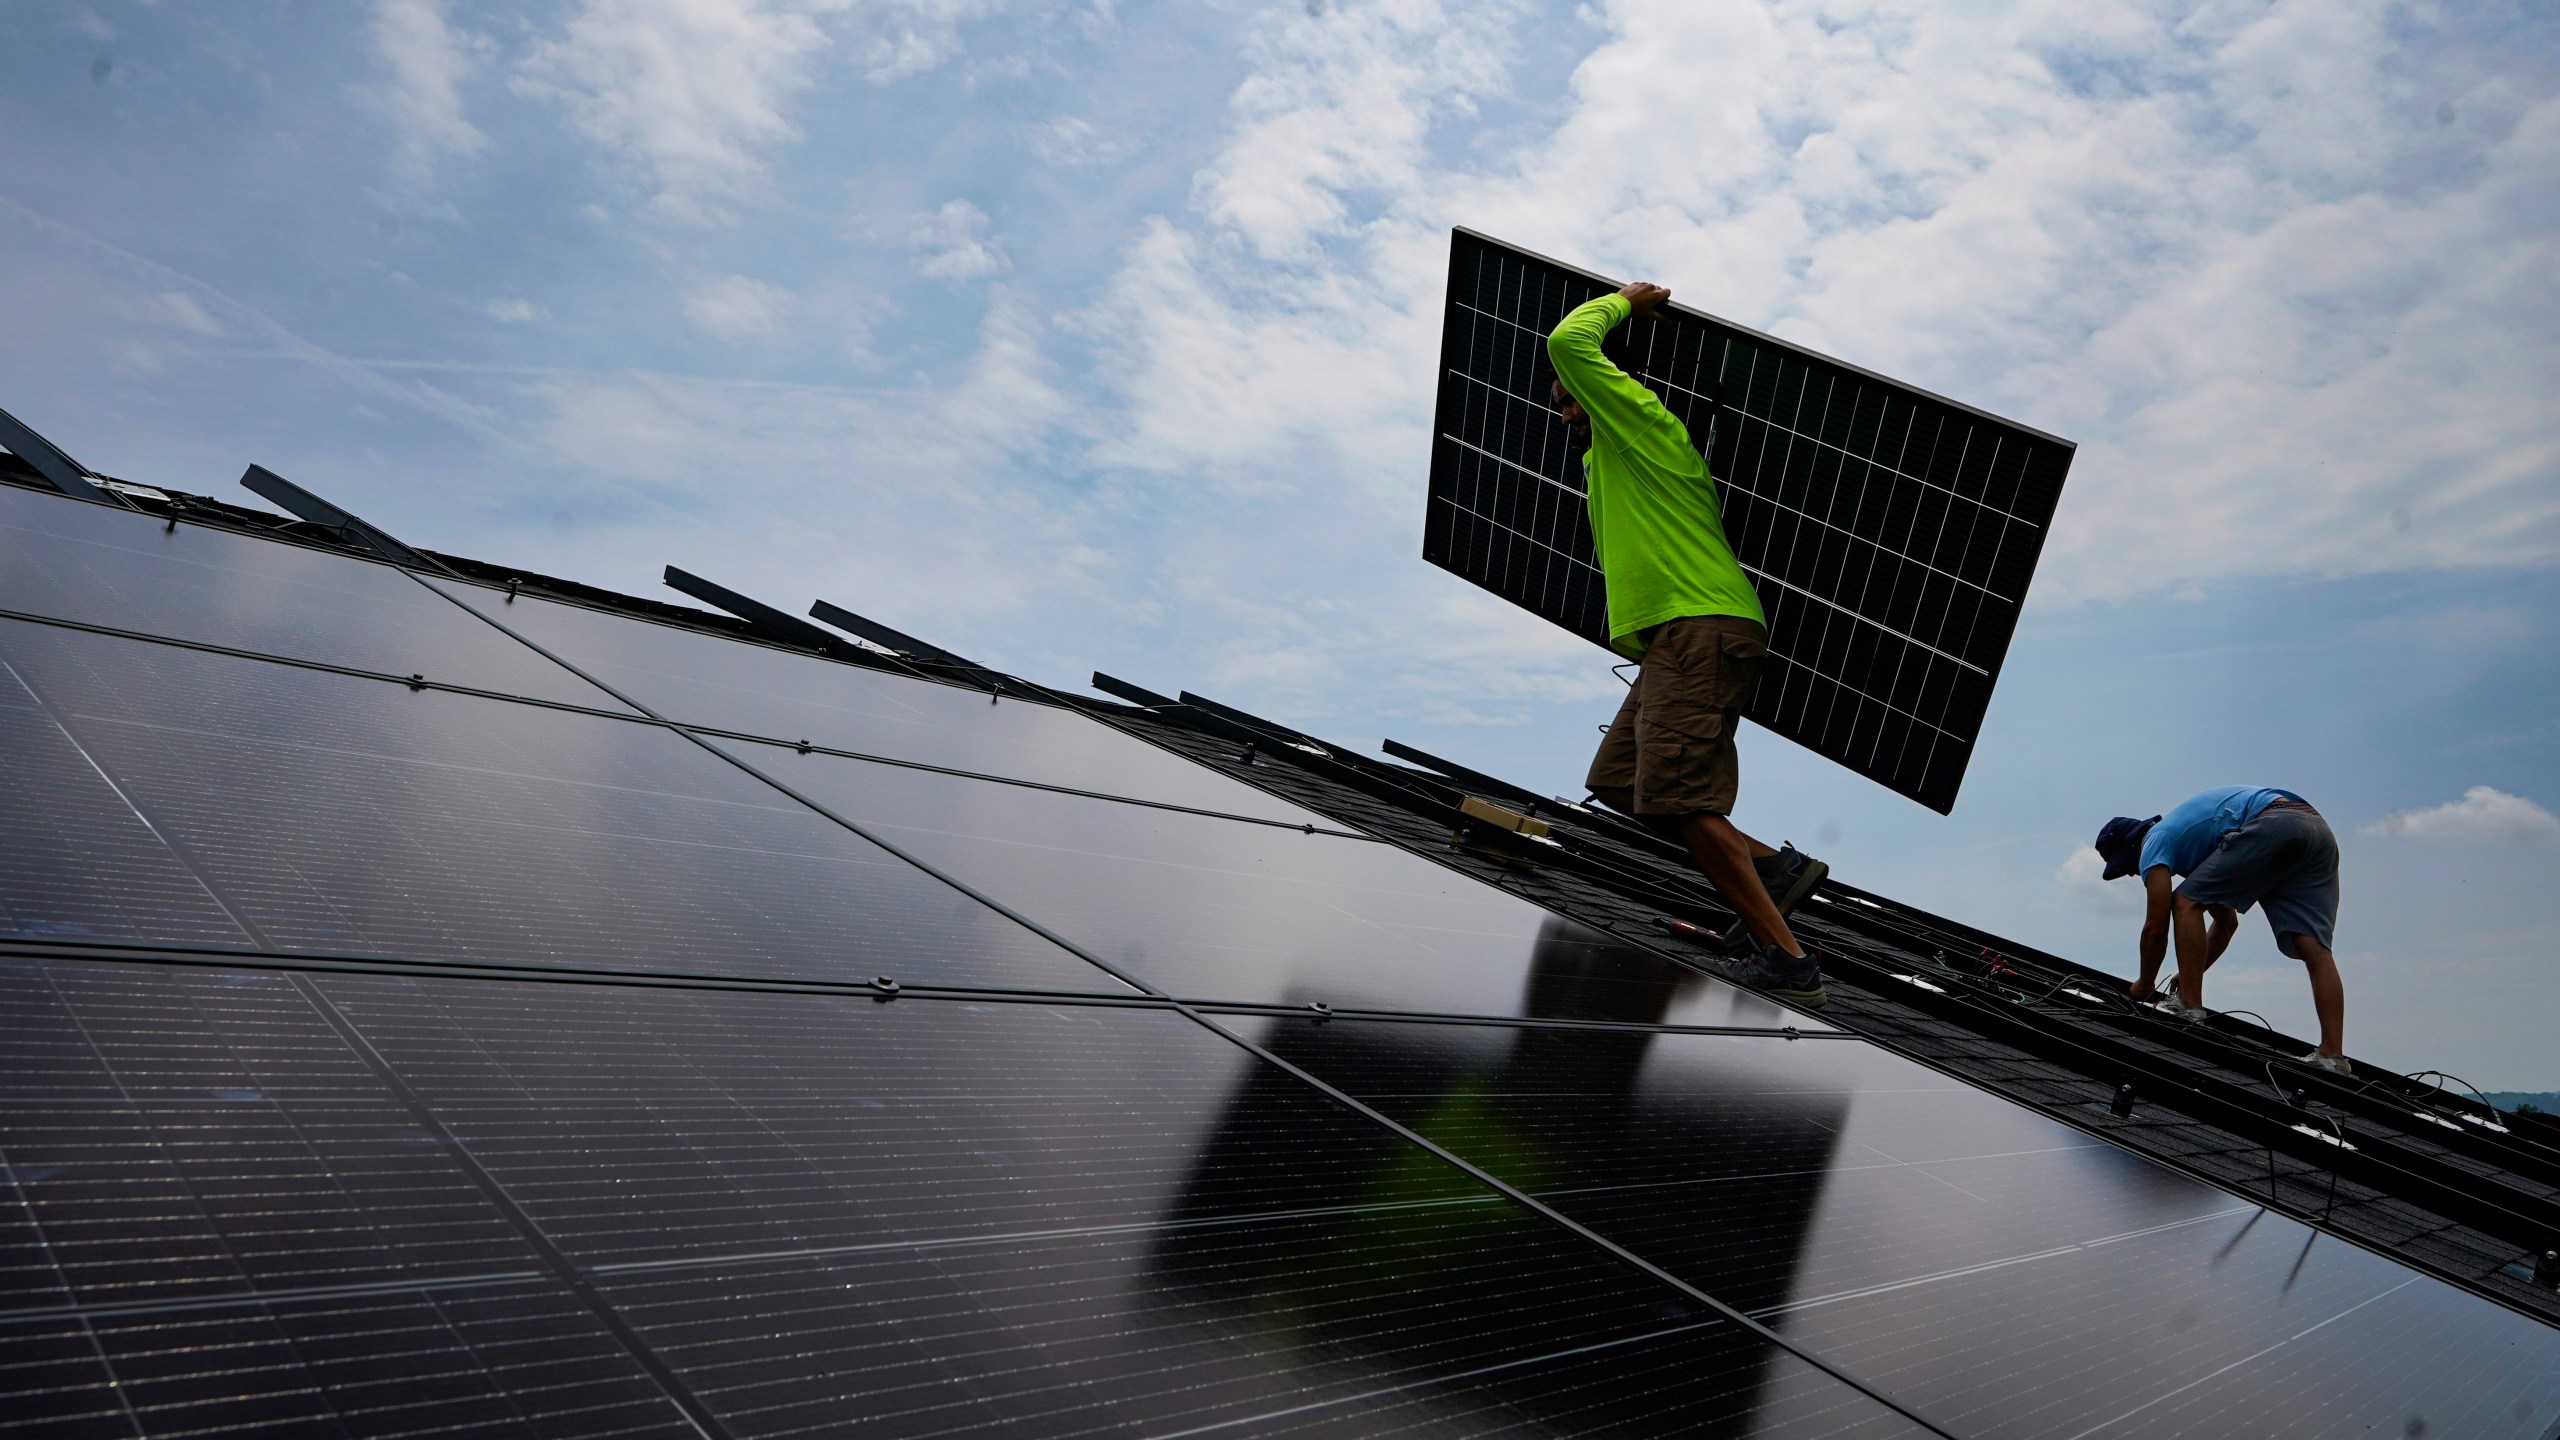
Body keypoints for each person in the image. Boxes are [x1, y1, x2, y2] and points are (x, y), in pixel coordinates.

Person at [1548, 280, 1829, 1007]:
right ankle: (1774, 870)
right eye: (1562, 403)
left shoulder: (1642, 425)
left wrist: (1622, 302)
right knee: (1619, 779)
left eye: (1573, 396)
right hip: (1676, 640)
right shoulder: (1610, 459)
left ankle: (1787, 961)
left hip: (1701, 628)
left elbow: (1568, 342)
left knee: (1679, 795)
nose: (1565, 408)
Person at [2092, 785, 2348, 1073]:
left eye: (2128, 867)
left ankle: (2188, 1006)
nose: (2133, 873)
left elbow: (2156, 926)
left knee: (2184, 901)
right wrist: (2189, 972)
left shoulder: (2154, 839)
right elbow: (2226, 924)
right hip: (2315, 828)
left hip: (2274, 820)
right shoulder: (2195, 847)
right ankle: (2332, 1056)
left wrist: (2145, 983)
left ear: (2131, 847)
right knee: (2313, 947)